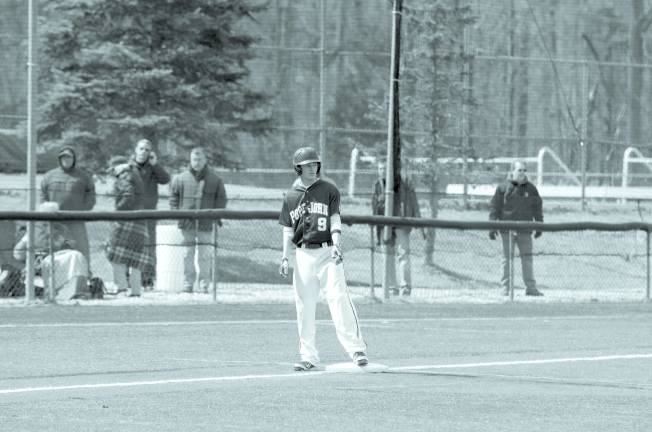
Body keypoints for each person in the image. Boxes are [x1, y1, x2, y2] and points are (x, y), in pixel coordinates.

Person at [279, 146, 368, 371]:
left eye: (315, 164)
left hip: (328, 252)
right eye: (307, 164)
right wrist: (284, 257)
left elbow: (335, 218)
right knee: (304, 306)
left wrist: (337, 243)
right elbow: (288, 230)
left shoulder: (328, 189)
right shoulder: (290, 197)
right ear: (297, 168)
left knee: (339, 298)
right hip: (302, 255)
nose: (313, 167)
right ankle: (308, 356)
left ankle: (356, 349)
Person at [169, 147, 227, 293]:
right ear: (190, 160)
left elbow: (221, 200)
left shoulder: (215, 179)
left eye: (200, 159)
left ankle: (204, 284)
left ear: (205, 160)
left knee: (205, 256)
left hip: (206, 224)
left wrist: (216, 216)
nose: (197, 162)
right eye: (194, 159)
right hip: (186, 224)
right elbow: (173, 198)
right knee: (187, 254)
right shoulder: (180, 178)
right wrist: (177, 214)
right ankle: (188, 283)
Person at [489, 159, 544, 297]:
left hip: (525, 230)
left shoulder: (531, 189)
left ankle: (531, 288)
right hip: (506, 230)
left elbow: (537, 208)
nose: (522, 173)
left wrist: (539, 225)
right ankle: (506, 288)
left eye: (524, 170)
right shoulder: (502, 188)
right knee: (507, 259)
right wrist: (492, 225)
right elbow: (495, 207)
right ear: (512, 171)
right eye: (519, 170)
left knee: (527, 259)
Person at [13, 202, 89, 300]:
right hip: (42, 262)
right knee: (53, 261)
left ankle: (76, 291)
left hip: (61, 258)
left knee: (76, 255)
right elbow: (18, 253)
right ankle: (54, 293)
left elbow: (72, 245)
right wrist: (30, 258)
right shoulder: (33, 229)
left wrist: (63, 242)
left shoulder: (62, 229)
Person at [371, 160, 421, 296]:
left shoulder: (403, 182)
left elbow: (413, 201)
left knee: (403, 255)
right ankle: (392, 287)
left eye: (385, 168)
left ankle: (405, 287)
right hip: (384, 226)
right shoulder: (377, 185)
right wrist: (376, 227)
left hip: (400, 225)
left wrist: (417, 220)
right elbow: (375, 206)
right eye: (380, 168)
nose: (382, 171)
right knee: (387, 257)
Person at [40, 146, 96, 268]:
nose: (66, 159)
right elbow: (42, 196)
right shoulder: (49, 176)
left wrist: (81, 211)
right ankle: (52, 278)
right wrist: (47, 211)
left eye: (69, 157)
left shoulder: (84, 176)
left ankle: (86, 278)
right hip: (55, 222)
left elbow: (91, 197)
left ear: (74, 158)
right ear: (59, 159)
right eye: (63, 157)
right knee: (52, 251)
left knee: (81, 251)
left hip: (76, 221)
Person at [105, 155, 153, 297]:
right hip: (138, 221)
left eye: (113, 169)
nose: (112, 173)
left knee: (114, 254)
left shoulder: (124, 176)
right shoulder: (134, 174)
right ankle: (136, 290)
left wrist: (117, 210)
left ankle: (122, 287)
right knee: (136, 259)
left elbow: (128, 195)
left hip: (125, 222)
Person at [130, 138, 170, 290]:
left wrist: (155, 165)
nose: (143, 152)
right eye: (141, 148)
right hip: (132, 214)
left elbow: (165, 179)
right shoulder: (129, 167)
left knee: (149, 246)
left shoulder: (153, 168)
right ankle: (131, 278)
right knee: (132, 246)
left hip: (149, 214)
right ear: (135, 149)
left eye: (147, 150)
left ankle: (147, 279)